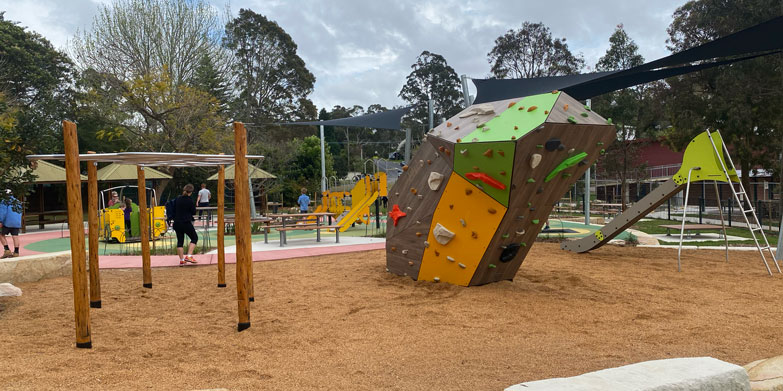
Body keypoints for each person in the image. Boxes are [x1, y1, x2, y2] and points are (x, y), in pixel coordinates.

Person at [173, 184, 198, 266]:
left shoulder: (177, 199)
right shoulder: (189, 200)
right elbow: (193, 212)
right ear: (191, 192)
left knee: (180, 241)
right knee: (194, 238)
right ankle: (189, 256)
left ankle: (182, 260)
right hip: (186, 222)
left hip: (176, 223)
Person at [0, 189, 23, 258]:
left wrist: (0, 221)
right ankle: (16, 252)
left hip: (8, 222)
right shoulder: (17, 201)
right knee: (15, 236)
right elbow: (20, 212)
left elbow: (2, 212)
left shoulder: (4, 201)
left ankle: (7, 250)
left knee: (1, 234)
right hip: (16, 222)